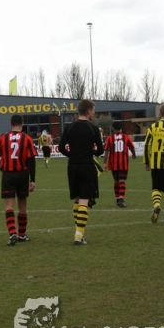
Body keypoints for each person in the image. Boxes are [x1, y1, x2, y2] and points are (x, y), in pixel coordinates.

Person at [59, 100, 103, 245]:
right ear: (88, 110)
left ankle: (79, 233)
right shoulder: (93, 128)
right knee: (84, 200)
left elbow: (61, 147)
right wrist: (91, 152)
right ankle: (78, 235)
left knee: (77, 200)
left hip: (72, 167)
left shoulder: (69, 127)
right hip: (87, 166)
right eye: (93, 110)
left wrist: (71, 155)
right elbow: (100, 150)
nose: (94, 113)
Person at [0, 115, 37, 246]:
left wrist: (3, 169)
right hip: (23, 174)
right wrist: (32, 180)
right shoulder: (27, 138)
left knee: (9, 205)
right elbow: (31, 160)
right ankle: (21, 235)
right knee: (22, 206)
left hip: (8, 175)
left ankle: (12, 233)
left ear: (11, 124)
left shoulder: (3, 138)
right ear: (22, 124)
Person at [103, 122, 136, 207]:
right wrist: (134, 154)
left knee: (116, 181)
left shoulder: (110, 138)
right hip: (123, 163)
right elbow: (131, 147)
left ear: (113, 129)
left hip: (113, 163)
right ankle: (121, 199)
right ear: (121, 128)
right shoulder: (126, 137)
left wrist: (105, 163)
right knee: (122, 181)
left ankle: (118, 198)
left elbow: (106, 151)